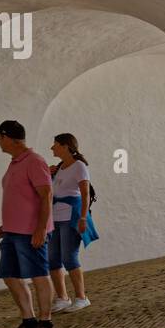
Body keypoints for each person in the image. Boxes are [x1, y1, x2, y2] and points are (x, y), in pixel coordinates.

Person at [0, 120, 56, 328]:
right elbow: (18, 198)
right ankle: (28, 322)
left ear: (9, 137)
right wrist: (6, 225)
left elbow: (46, 195)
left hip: (30, 232)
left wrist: (40, 229)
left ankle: (46, 325)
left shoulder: (34, 161)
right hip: (12, 232)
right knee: (10, 276)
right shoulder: (15, 163)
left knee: (38, 275)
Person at [47, 133, 97, 313]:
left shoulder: (79, 166)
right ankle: (62, 297)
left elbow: (85, 194)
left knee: (69, 257)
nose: (52, 148)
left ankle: (81, 297)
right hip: (55, 218)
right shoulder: (59, 167)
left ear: (65, 146)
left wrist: (83, 218)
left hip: (71, 218)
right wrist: (48, 173)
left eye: (55, 144)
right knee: (52, 259)